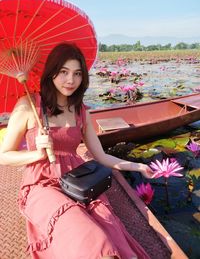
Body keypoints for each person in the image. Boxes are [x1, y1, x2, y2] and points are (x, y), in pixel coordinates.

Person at [0, 43, 154, 259]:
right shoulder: (28, 105)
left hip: (79, 182)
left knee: (111, 234)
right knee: (86, 236)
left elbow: (100, 156)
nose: (70, 80)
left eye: (77, 73)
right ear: (51, 72)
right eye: (63, 72)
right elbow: (4, 155)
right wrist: (37, 153)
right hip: (41, 184)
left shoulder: (81, 111)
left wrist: (138, 166)